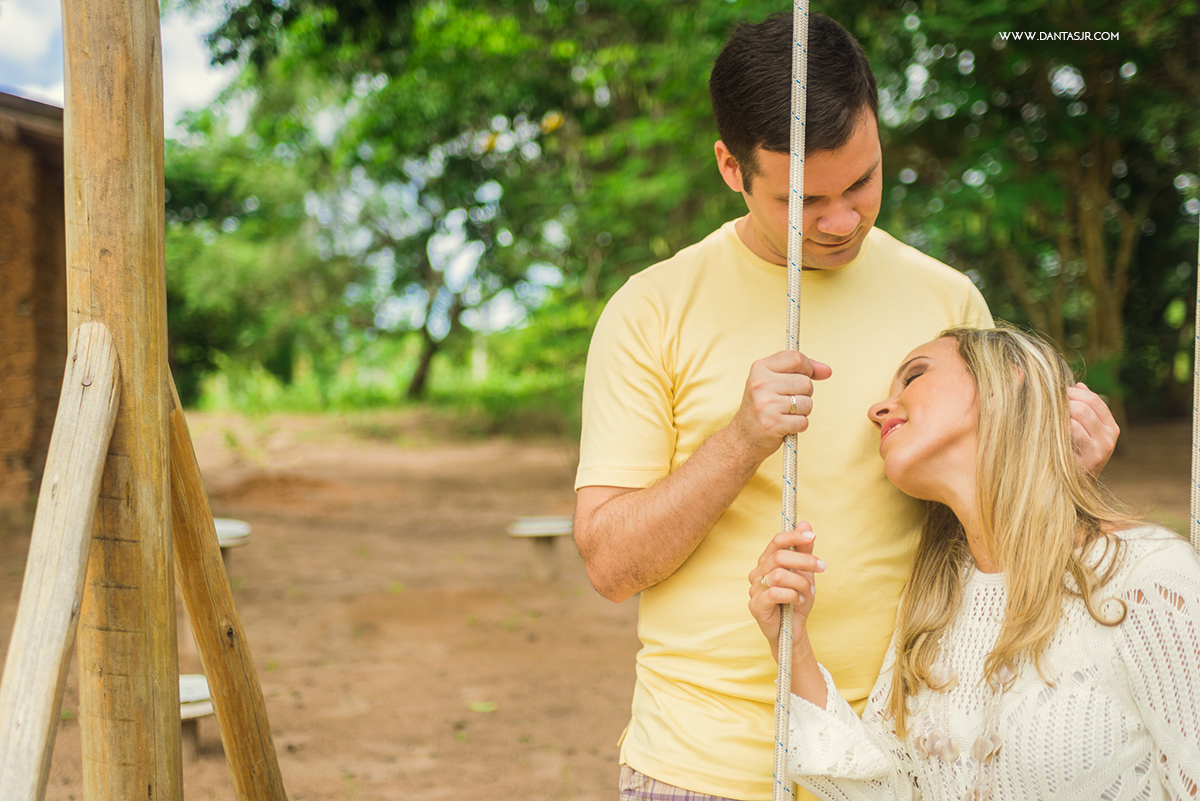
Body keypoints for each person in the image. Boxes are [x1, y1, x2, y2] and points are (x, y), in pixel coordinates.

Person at [573, 13, 1118, 801]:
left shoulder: (948, 299)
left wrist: (1063, 468)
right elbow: (610, 565)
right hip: (704, 763)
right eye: (804, 199)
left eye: (862, 182)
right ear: (732, 167)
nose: (841, 220)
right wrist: (741, 441)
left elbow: (1003, 521)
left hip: (905, 756)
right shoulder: (649, 310)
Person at [749, 325, 1200, 800]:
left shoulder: (1150, 575)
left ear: (1009, 381)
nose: (877, 410)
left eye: (915, 376)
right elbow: (884, 792)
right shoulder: (935, 602)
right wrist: (792, 641)